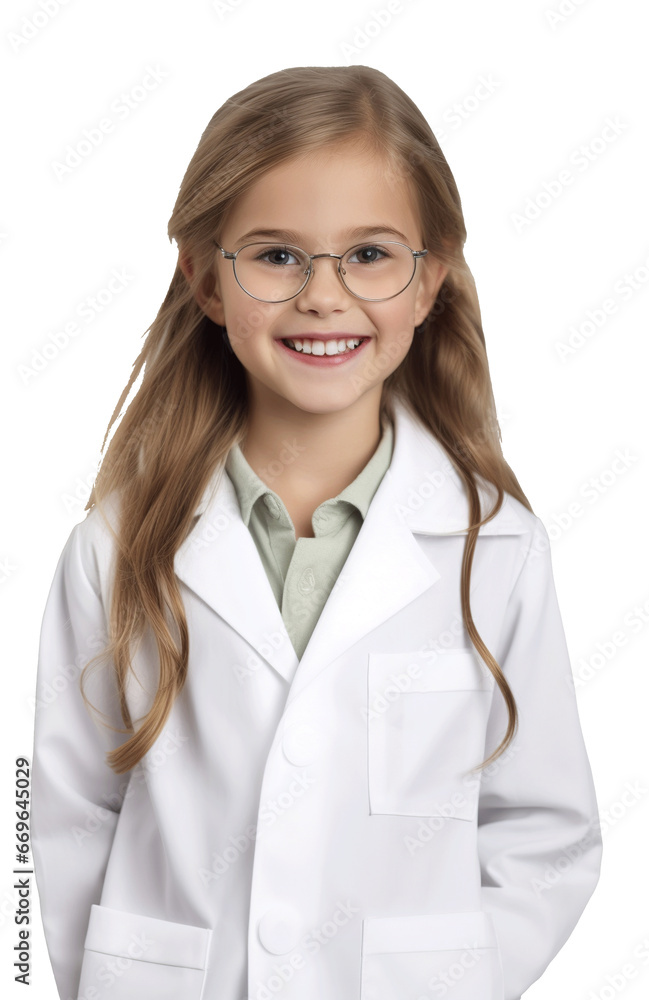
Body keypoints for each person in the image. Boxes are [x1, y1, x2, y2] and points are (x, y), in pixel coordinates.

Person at [30, 64, 602, 1000]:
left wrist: (447, 980)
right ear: (204, 281)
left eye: (369, 253)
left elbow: (546, 834)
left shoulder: (494, 549)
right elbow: (60, 816)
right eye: (276, 256)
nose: (324, 297)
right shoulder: (114, 547)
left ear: (429, 281)